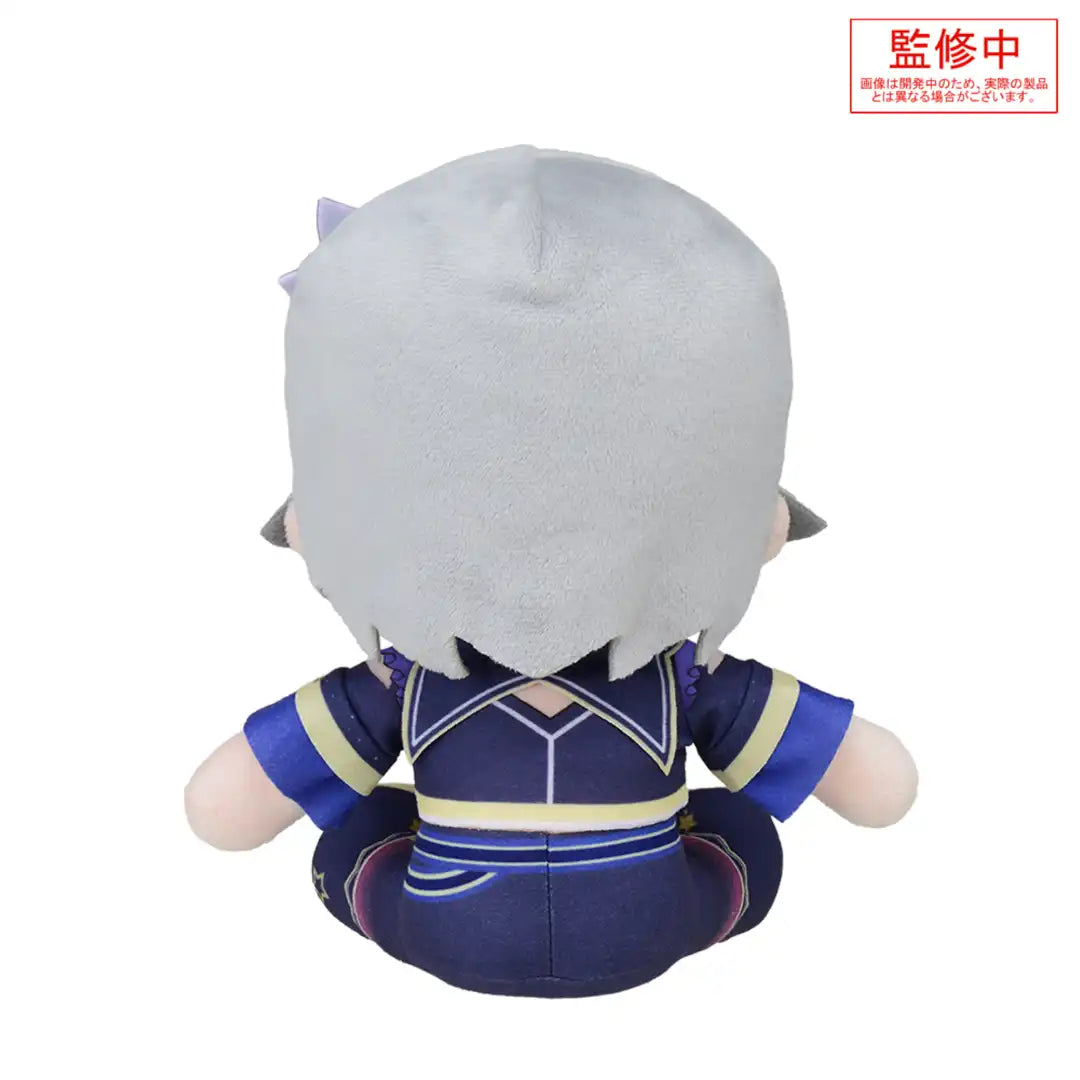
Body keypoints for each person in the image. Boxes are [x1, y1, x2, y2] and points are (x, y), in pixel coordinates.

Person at [185, 147, 917, 997]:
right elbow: (881, 789)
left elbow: (224, 813)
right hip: (652, 927)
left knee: (352, 835)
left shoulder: (403, 684)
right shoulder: (685, 680)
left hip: (445, 924)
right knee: (747, 836)